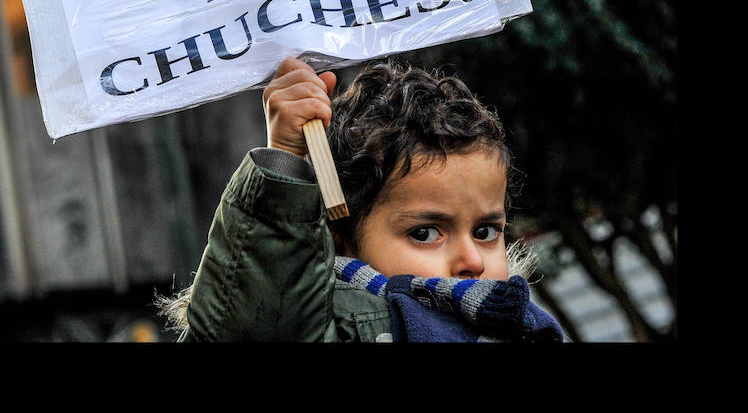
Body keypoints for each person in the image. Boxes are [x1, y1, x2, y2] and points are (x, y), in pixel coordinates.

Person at [158, 56, 565, 342]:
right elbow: (254, 324)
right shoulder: (329, 326)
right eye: (425, 232)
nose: (472, 261)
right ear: (343, 239)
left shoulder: (528, 325)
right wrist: (285, 155)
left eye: (485, 231)